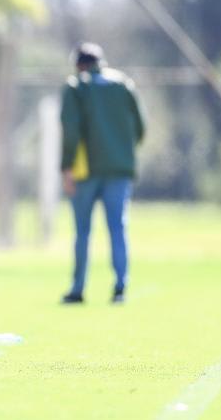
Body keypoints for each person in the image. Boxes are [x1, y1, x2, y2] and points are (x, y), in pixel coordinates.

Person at [60, 42, 144, 305]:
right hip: (119, 169)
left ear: (78, 65)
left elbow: (71, 130)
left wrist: (67, 167)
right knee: (118, 228)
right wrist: (122, 151)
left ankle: (78, 288)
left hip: (86, 171)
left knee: (83, 232)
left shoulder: (77, 87)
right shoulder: (123, 84)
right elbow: (140, 127)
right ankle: (120, 287)